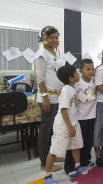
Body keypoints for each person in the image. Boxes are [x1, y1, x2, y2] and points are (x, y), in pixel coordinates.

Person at [44, 65, 87, 184]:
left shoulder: (72, 88)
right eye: (76, 73)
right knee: (54, 150)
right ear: (71, 78)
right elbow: (63, 110)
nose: (78, 74)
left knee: (75, 146)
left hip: (74, 123)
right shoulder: (65, 90)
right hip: (63, 125)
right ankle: (47, 176)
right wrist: (69, 127)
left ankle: (77, 167)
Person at [35, 26, 64, 172]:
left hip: (57, 97)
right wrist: (45, 97)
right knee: (46, 130)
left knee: (54, 129)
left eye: (56, 37)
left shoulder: (55, 52)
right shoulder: (41, 53)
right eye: (51, 37)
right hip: (47, 98)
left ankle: (52, 156)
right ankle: (44, 161)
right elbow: (39, 77)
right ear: (44, 38)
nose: (54, 40)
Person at [64, 59, 97, 175]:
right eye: (88, 69)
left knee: (88, 142)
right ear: (81, 70)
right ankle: (69, 166)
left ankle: (84, 161)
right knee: (76, 143)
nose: (91, 71)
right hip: (80, 118)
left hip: (92, 116)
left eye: (92, 69)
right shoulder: (76, 84)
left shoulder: (94, 81)